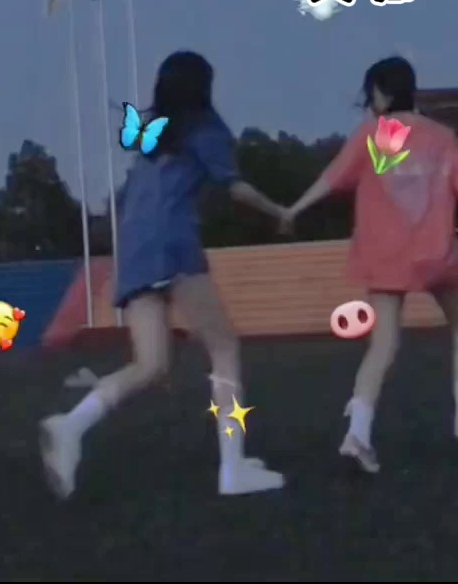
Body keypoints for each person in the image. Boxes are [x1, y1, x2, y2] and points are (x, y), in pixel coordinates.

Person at [39, 50, 288, 499]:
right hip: (173, 244)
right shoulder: (206, 129)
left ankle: (71, 425)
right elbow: (234, 187)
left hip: (134, 250)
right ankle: (233, 468)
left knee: (151, 365)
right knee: (224, 347)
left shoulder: (151, 136)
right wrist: (280, 212)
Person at [285, 56, 458, 473]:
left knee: (383, 344)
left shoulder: (373, 135)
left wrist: (294, 210)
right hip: (436, 253)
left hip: (383, 256)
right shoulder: (443, 138)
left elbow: (332, 179)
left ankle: (358, 434)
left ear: (380, 92)